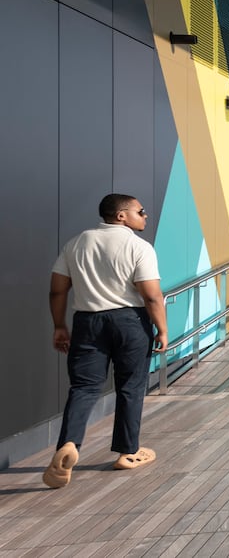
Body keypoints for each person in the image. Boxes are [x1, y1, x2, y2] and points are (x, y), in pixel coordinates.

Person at [44, 193, 168, 489]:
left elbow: (58, 290)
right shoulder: (139, 247)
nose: (145, 216)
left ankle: (69, 444)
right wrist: (162, 329)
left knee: (84, 387)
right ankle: (128, 452)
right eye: (141, 211)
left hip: (87, 321)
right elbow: (150, 295)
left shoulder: (76, 243)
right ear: (122, 215)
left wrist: (59, 325)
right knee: (130, 386)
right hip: (129, 322)